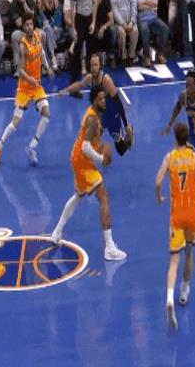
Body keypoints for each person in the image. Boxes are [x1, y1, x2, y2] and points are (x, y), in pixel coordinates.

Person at [50, 85, 127, 262]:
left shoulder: (95, 114)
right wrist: (101, 159)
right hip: (82, 161)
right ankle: (109, 248)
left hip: (77, 158)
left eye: (104, 98)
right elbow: (86, 147)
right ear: (94, 101)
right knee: (103, 196)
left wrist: (102, 147)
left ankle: (57, 232)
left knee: (78, 196)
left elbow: (91, 143)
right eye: (100, 99)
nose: (104, 101)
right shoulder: (92, 119)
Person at [155, 122, 195, 330]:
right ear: (188, 138)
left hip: (176, 214)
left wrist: (159, 196)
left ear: (175, 138)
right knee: (190, 253)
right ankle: (184, 290)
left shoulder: (170, 158)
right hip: (192, 213)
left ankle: (169, 297)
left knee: (174, 261)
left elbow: (158, 182)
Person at [0, 13, 54, 167]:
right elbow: (20, 70)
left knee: (46, 114)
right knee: (15, 123)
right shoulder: (23, 46)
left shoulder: (38, 36)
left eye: (31, 24)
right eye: (27, 25)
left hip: (36, 86)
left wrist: (47, 67)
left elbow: (42, 52)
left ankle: (32, 147)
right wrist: (29, 79)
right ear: (24, 28)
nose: (30, 27)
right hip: (25, 88)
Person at [59, 53, 134, 156]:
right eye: (92, 65)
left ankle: (129, 139)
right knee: (92, 139)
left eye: (96, 65)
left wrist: (126, 125)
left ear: (100, 66)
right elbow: (78, 85)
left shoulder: (106, 80)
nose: (93, 68)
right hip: (101, 116)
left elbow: (119, 104)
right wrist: (64, 91)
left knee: (120, 150)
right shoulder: (89, 78)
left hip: (113, 116)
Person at [162, 70, 195, 207]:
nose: (187, 88)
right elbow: (177, 107)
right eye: (186, 85)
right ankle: (192, 192)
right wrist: (170, 124)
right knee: (190, 164)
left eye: (190, 85)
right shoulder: (183, 96)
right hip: (194, 137)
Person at [134, 0, 169, 68]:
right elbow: (139, 7)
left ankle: (160, 54)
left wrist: (144, 1)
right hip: (142, 20)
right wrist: (150, 4)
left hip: (153, 19)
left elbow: (155, 3)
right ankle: (147, 57)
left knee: (165, 28)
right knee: (145, 30)